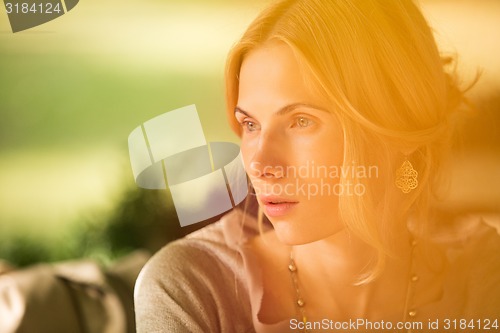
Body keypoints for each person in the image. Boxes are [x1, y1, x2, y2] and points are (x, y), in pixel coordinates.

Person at [134, 0, 500, 332]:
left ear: (400, 133)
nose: (259, 164)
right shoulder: (192, 287)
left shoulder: (484, 277)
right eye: (250, 125)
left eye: (301, 121)